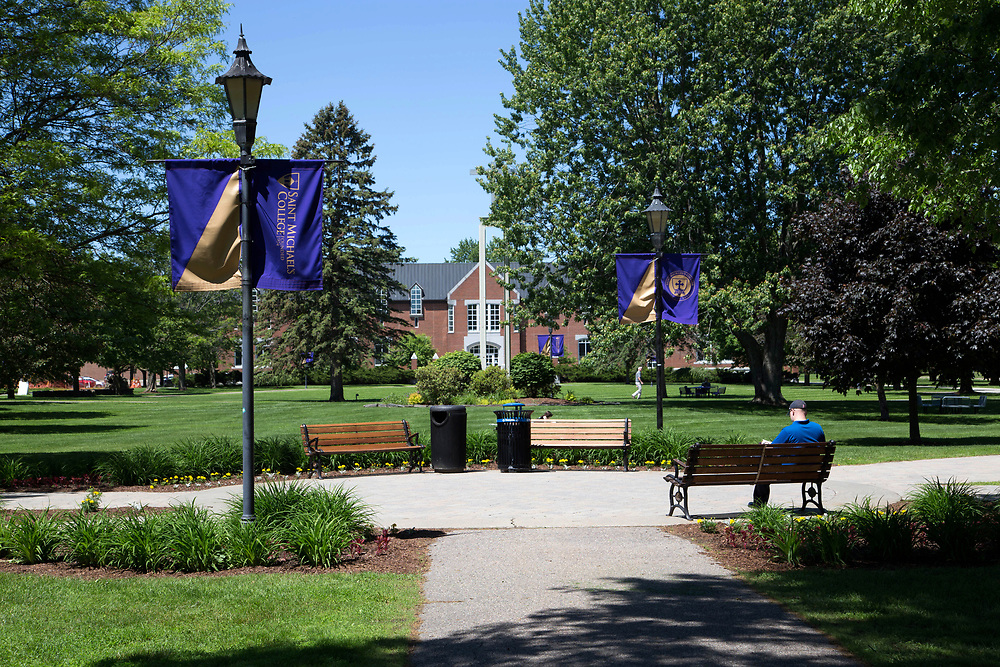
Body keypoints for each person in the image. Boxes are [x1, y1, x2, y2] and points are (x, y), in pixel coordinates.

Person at [752, 399, 825, 506]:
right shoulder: (818, 429)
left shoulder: (788, 431)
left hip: (789, 472)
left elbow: (771, 451)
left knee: (764, 470)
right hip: (812, 471)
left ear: (793, 411)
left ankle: (759, 504)